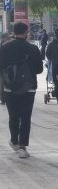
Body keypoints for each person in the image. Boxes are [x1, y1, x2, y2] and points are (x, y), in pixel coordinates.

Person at [0, 22, 43, 158]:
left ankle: (14, 141)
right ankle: (23, 147)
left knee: (13, 116)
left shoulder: (5, 47)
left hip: (9, 88)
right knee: (25, 117)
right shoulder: (32, 48)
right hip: (28, 88)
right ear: (26, 32)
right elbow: (39, 69)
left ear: (13, 32)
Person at [0, 33, 11, 105]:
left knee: (5, 84)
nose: (9, 39)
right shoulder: (3, 46)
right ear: (4, 38)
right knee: (3, 84)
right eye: (8, 38)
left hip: (6, 68)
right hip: (3, 68)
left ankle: (4, 99)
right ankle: (3, 99)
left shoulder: (8, 45)